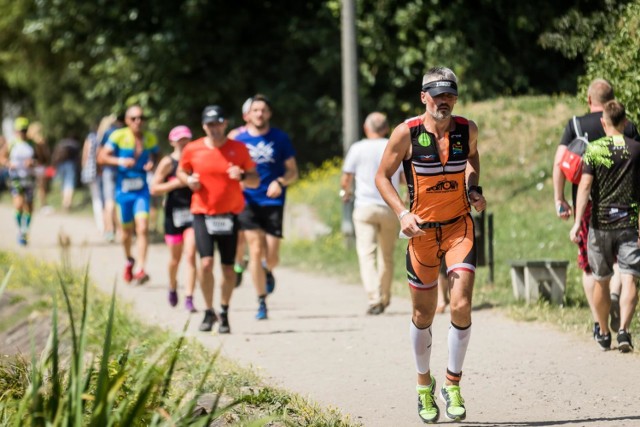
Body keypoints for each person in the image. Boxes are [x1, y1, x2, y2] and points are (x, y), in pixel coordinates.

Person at [375, 66, 486, 423]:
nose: (444, 101)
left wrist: (473, 189)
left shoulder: (466, 129)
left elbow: (472, 157)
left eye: (450, 94)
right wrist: (401, 214)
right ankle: (425, 385)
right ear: (423, 97)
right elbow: (381, 176)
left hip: (458, 227)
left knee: (461, 303)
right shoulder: (405, 133)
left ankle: (452, 382)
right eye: (437, 95)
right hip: (421, 233)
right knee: (423, 315)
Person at [552, 78, 639, 338]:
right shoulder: (629, 126)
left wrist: (560, 200)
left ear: (590, 100)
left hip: (589, 208)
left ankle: (599, 324)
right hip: (626, 207)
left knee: (591, 267)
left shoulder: (576, 125)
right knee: (624, 266)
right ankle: (615, 301)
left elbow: (560, 163)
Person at [177, 105, 259, 334]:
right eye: (210, 124)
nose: (214, 128)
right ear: (204, 126)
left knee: (229, 269)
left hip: (230, 215)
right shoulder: (193, 149)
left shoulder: (239, 149)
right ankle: (208, 310)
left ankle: (224, 312)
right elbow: (181, 172)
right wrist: (188, 180)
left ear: (225, 124)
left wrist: (241, 175)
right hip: (202, 213)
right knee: (205, 263)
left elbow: (254, 180)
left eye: (218, 123)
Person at [235, 94, 298, 320]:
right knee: (255, 249)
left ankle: (268, 271)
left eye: (263, 110)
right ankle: (261, 300)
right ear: (248, 115)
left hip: (272, 201)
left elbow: (293, 171)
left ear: (269, 114)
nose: (259, 114)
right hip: (248, 200)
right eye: (255, 110)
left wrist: (280, 182)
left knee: (272, 255)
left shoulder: (279, 138)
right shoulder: (239, 140)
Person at [341, 112, 402, 315]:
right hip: (389, 206)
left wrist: (345, 192)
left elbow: (346, 178)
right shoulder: (393, 145)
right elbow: (402, 178)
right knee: (386, 255)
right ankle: (384, 297)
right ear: (386, 129)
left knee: (366, 254)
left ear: (366, 128)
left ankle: (374, 298)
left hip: (364, 207)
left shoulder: (357, 148)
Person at [98, 105, 158, 284]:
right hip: (123, 191)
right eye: (134, 118)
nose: (138, 121)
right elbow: (101, 157)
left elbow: (157, 156)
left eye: (141, 118)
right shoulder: (118, 136)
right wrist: (120, 160)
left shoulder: (150, 137)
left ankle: (140, 268)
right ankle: (128, 260)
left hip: (141, 191)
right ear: (127, 120)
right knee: (126, 233)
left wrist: (152, 163)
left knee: (143, 228)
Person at [150, 125, 198, 312]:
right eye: (179, 140)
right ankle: (172, 286)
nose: (183, 142)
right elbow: (154, 188)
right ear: (172, 142)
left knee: (191, 254)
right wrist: (178, 183)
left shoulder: (195, 160)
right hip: (173, 214)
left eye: (186, 139)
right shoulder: (168, 162)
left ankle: (189, 297)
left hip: (194, 212)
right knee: (174, 259)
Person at [229, 97, 254, 287]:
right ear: (246, 115)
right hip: (240, 192)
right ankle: (238, 264)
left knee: (251, 235)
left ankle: (259, 264)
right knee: (239, 234)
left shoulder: (270, 136)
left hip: (260, 192)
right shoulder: (235, 136)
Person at [6, 117, 36, 246]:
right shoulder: (12, 143)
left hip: (29, 178)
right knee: (18, 204)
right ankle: (19, 230)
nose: (22, 133)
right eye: (20, 130)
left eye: (24, 130)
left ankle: (25, 231)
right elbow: (1, 157)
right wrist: (8, 163)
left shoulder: (33, 144)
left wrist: (33, 162)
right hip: (16, 178)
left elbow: (43, 158)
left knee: (29, 207)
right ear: (16, 131)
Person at [100, 113, 124, 243]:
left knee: (109, 202)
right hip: (121, 170)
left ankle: (109, 231)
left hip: (108, 170)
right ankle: (121, 231)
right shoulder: (125, 133)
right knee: (120, 202)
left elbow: (101, 153)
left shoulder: (107, 133)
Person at [81, 122, 104, 232]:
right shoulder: (107, 137)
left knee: (97, 199)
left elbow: (85, 154)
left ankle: (102, 225)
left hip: (92, 172)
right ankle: (106, 225)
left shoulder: (92, 137)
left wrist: (84, 168)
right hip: (101, 172)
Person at [26, 121, 52, 213]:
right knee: (41, 187)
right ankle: (42, 205)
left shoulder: (28, 141)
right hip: (38, 166)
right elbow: (45, 155)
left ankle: (35, 204)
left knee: (36, 186)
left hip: (33, 167)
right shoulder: (39, 141)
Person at [52, 134, 81, 211]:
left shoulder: (62, 143)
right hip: (71, 165)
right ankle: (68, 203)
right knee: (70, 184)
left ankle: (64, 202)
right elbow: (78, 157)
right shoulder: (75, 144)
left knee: (63, 184)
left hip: (60, 164)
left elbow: (55, 154)